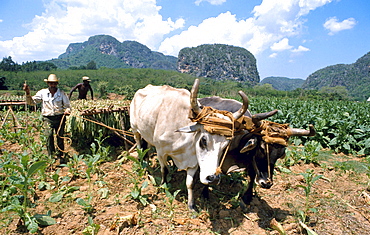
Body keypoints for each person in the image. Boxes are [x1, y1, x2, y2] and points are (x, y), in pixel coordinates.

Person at [24, 74, 71, 163]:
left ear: (57, 84)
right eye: (51, 83)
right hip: (47, 118)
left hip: (59, 117)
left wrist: (67, 111)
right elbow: (32, 102)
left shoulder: (61, 93)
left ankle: (60, 155)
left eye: (54, 83)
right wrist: (27, 93)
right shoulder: (42, 92)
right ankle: (51, 155)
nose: (52, 85)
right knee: (48, 136)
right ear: (48, 83)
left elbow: (67, 106)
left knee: (60, 136)